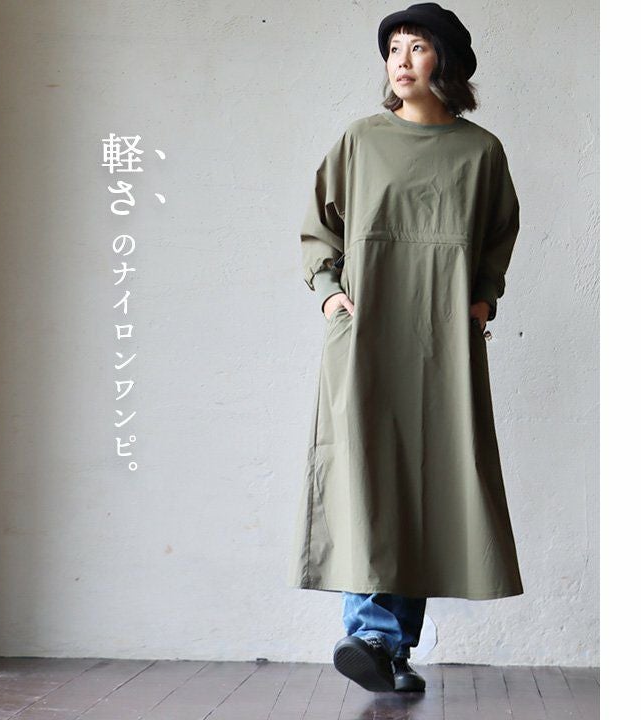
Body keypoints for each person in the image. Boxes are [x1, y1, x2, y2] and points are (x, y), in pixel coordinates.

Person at [287, 2, 525, 694]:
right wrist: (329, 292)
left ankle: (390, 649)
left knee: (426, 481)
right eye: (394, 47)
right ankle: (373, 634)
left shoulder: (480, 152)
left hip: (443, 339)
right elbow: (320, 225)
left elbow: (498, 235)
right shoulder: (361, 140)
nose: (401, 59)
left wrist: (483, 298)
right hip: (368, 333)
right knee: (369, 472)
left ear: (445, 62)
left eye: (417, 46)